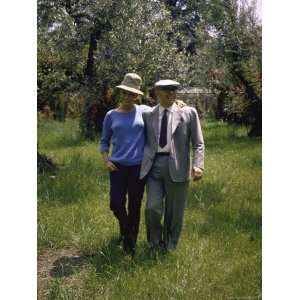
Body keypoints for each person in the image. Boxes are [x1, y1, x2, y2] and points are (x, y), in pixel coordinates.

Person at [140, 79, 205, 251]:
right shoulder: (147, 114)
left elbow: (198, 143)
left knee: (174, 212)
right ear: (156, 92)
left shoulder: (189, 113)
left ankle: (170, 245)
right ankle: (154, 244)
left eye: (174, 90)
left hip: (178, 165)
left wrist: (198, 165)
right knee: (152, 208)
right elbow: (128, 110)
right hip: (154, 167)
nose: (171, 93)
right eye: (166, 90)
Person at [100, 73, 151, 256]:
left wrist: (179, 103)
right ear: (121, 93)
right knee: (116, 204)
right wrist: (106, 161)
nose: (129, 97)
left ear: (137, 95)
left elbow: (165, 108)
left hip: (138, 167)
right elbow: (104, 141)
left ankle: (131, 244)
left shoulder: (144, 111)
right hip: (117, 167)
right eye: (126, 93)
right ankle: (125, 228)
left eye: (133, 94)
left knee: (135, 206)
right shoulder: (111, 115)